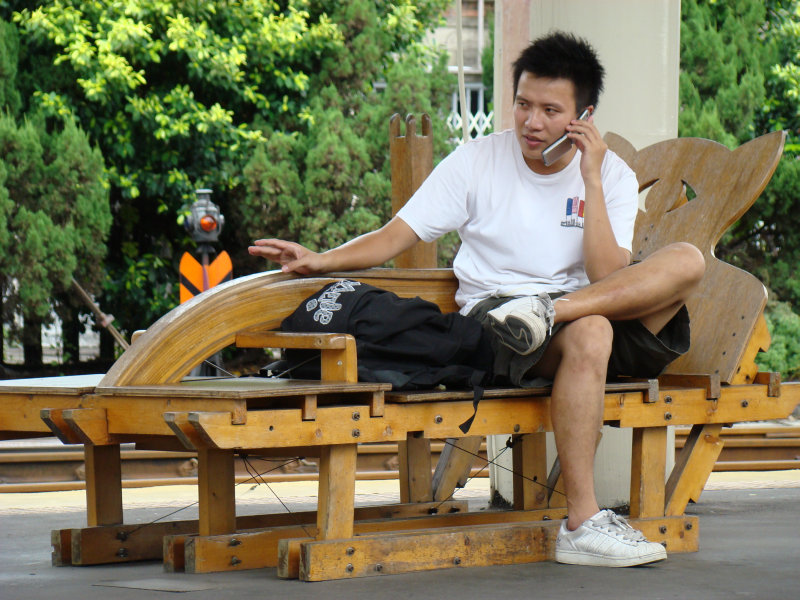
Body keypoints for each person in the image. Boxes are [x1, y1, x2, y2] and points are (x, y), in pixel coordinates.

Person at [249, 31, 705, 568]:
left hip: (580, 306)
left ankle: (550, 312)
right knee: (595, 329)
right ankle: (582, 523)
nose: (532, 123)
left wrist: (591, 180)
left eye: (551, 111)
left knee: (687, 260)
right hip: (500, 320)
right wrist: (321, 259)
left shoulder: (610, 175)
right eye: (523, 104)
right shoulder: (477, 161)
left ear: (582, 116)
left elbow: (607, 272)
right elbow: (399, 234)